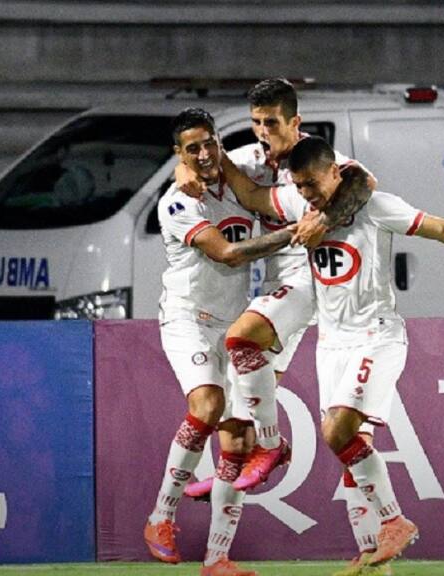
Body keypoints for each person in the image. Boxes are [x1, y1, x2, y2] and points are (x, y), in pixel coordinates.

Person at [221, 135, 444, 572]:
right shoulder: (301, 207)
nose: (308, 194)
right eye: (300, 186)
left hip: (376, 336)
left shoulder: (376, 206)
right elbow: (251, 194)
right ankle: (375, 555)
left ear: (336, 171)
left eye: (313, 184)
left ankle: (395, 522)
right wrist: (213, 153)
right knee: (351, 447)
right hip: (331, 343)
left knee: (337, 431)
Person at [177, 78, 390, 575]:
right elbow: (208, 161)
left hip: (310, 289)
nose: (263, 131)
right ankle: (218, 559)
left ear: (295, 122)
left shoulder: (321, 161)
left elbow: (362, 184)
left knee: (240, 341)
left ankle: (273, 446)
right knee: (236, 424)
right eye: (256, 122)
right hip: (278, 295)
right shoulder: (250, 159)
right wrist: (183, 164)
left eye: (272, 121)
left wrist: (329, 214)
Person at [144, 107, 298, 576]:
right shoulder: (176, 201)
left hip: (233, 321)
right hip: (188, 319)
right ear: (179, 154)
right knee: (208, 405)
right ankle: (161, 517)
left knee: (237, 439)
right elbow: (228, 254)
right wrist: (294, 235)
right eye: (192, 149)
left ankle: (216, 559)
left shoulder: (242, 167)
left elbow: (283, 149)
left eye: (210, 142)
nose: (206, 154)